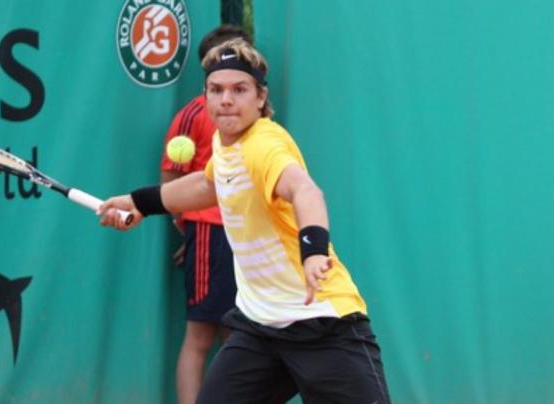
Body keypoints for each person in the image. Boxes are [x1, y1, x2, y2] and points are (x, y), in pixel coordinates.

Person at [99, 38, 391, 403]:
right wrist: (140, 202)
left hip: (323, 326)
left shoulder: (264, 144)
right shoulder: (227, 144)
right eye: (216, 89)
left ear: (260, 97)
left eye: (239, 89)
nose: (226, 99)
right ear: (204, 96)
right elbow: (209, 182)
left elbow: (306, 192)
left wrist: (314, 250)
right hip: (260, 330)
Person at [159, 25, 253, 404]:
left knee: (240, 337)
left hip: (246, 235)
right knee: (200, 337)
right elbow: (170, 177)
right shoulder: (191, 115)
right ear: (208, 67)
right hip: (209, 233)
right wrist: (185, 228)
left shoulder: (254, 120)